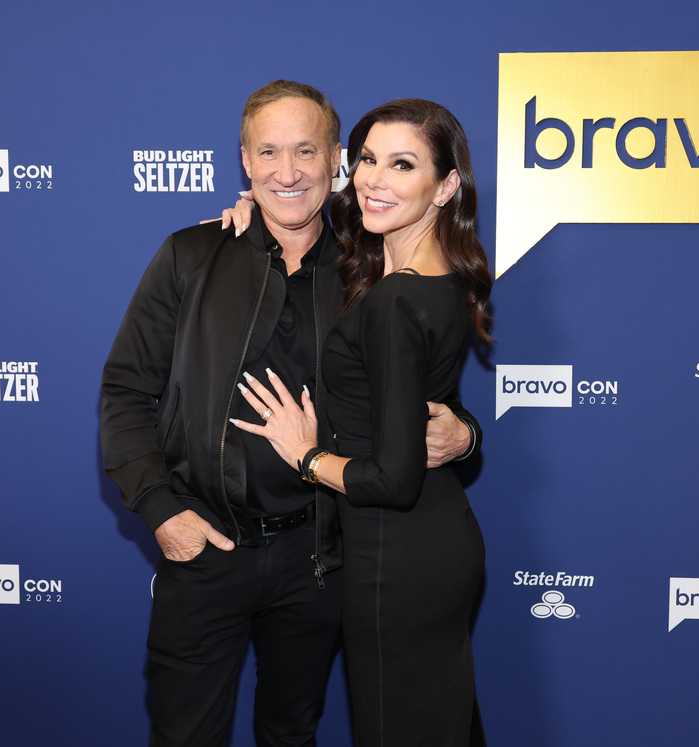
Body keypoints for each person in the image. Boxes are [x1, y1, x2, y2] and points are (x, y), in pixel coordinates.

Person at [99, 81, 482, 747]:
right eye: (268, 152)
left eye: (306, 150)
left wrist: (469, 434)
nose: (286, 171)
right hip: (206, 548)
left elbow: (415, 403)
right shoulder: (192, 256)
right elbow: (127, 390)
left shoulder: (369, 266)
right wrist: (161, 509)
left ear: (335, 158)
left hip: (319, 558)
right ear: (244, 162)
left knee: (291, 733)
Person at [229, 98, 492, 746]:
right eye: (368, 159)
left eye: (402, 164)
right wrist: (249, 216)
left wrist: (305, 455)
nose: (374, 179)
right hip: (428, 545)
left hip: (394, 558)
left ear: (447, 184)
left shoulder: (398, 297)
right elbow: (420, 414)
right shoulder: (438, 278)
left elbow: (393, 477)